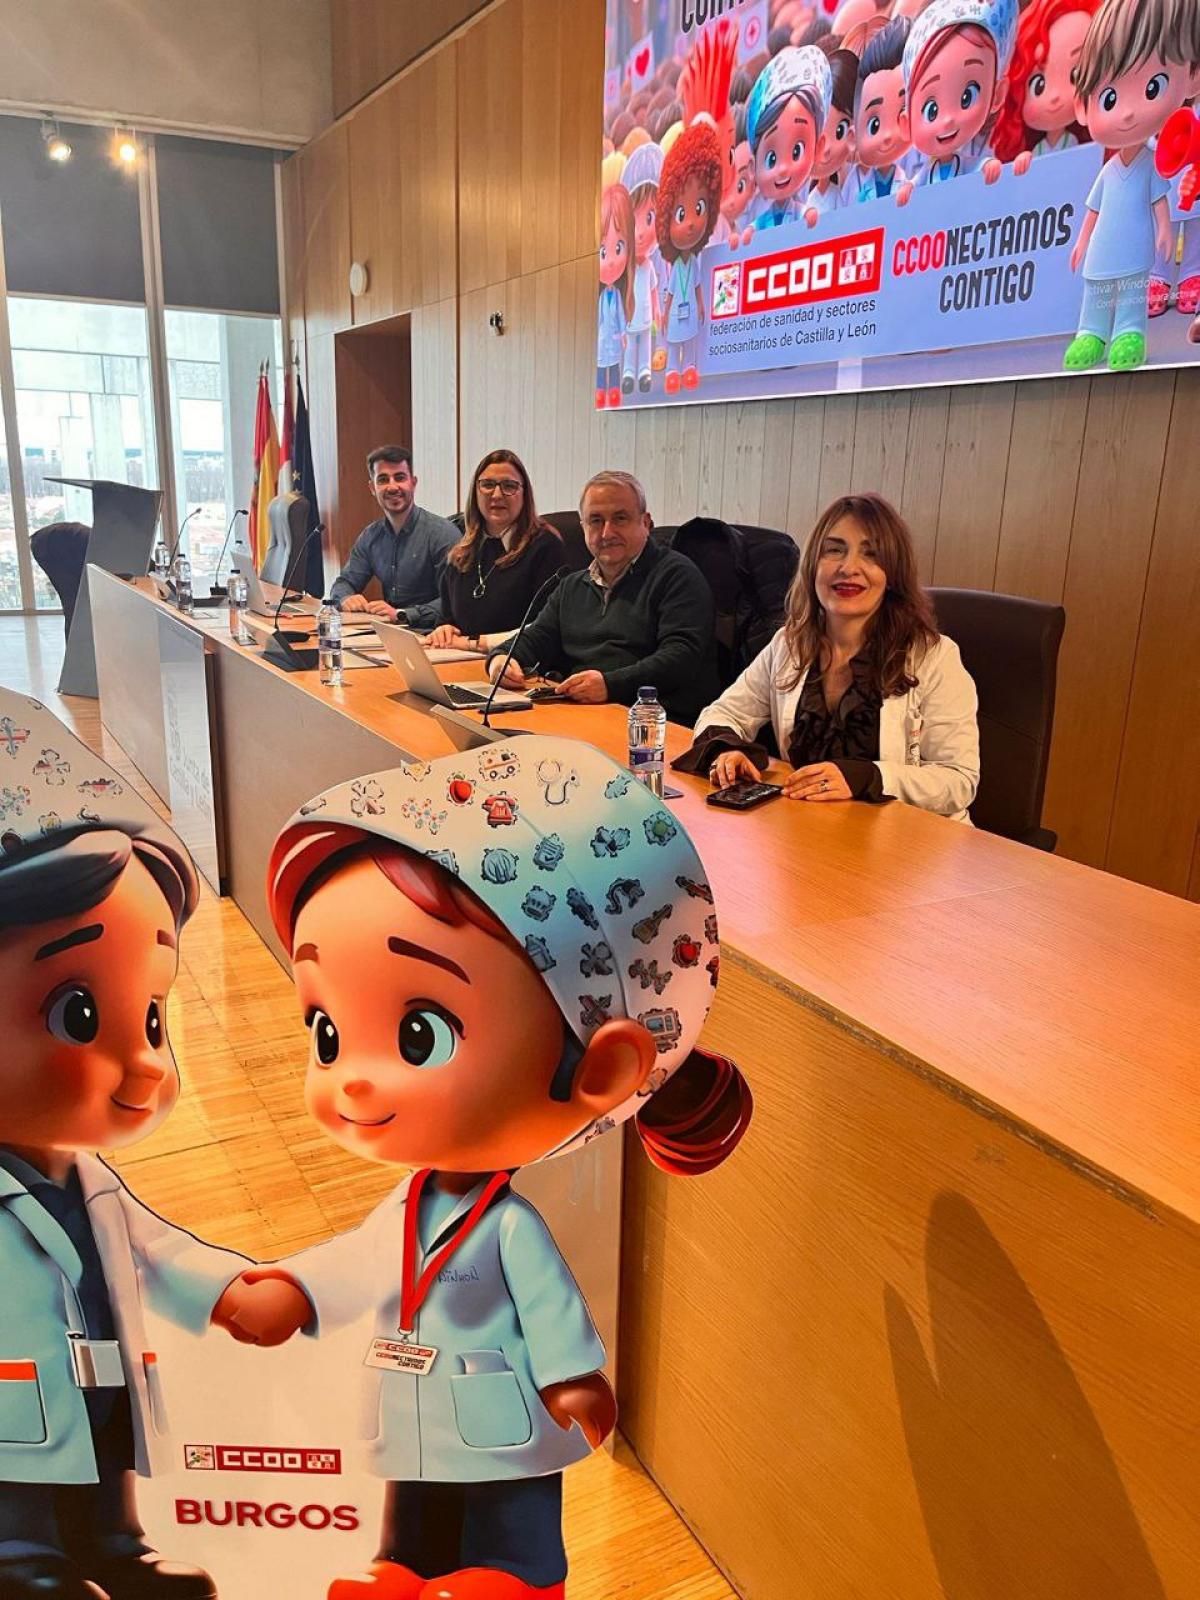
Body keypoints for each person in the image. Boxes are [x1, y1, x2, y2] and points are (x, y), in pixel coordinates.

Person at [252, 735, 751, 1600]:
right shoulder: (409, 1206)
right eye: (325, 1033)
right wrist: (296, 1289)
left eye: (420, 1035)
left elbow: (550, 1303)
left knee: (507, 1523)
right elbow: (360, 1260)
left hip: (501, 1421)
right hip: (409, 1414)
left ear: (600, 1072)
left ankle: (510, 1581)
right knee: (412, 1517)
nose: (350, 1077)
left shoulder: (509, 1226)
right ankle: (400, 1572)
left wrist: (571, 1378)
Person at [0, 689, 293, 1600]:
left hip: (96, 1374)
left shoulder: (84, 1177)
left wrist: (229, 1287)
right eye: (78, 1012)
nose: (144, 1067)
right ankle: (25, 1566)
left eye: (154, 1015)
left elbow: (151, 1245)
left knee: (105, 1451)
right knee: (22, 1483)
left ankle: (114, 1549)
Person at [676, 494, 980, 822]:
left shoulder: (934, 657)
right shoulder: (790, 644)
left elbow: (959, 779)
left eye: (871, 554)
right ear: (812, 566)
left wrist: (869, 777)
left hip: (911, 845)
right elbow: (722, 713)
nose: (848, 568)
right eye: (834, 550)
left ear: (893, 574)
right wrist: (727, 749)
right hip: (812, 832)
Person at [488, 471, 718, 726]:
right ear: (583, 527)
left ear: (646, 522)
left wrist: (610, 685)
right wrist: (501, 659)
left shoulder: (677, 575)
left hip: (652, 727)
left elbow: (681, 658)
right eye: (595, 521)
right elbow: (534, 638)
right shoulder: (572, 586)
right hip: (584, 716)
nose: (607, 532)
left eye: (620, 518)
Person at [424, 452, 564, 654]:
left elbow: (543, 627)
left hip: (515, 667)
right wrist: (443, 630)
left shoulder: (545, 547)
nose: (497, 495)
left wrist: (474, 643)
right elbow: (446, 618)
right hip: (459, 661)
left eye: (509, 486)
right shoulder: (460, 553)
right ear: (475, 492)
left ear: (524, 494)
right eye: (488, 485)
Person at [329, 447, 459, 628]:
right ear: (372, 488)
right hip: (391, 633)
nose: (392, 487)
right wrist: (345, 597)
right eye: (383, 480)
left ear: (413, 483)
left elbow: (455, 600)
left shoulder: (442, 534)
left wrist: (401, 614)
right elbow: (344, 582)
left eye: (400, 477)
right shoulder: (371, 537)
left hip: (435, 635)